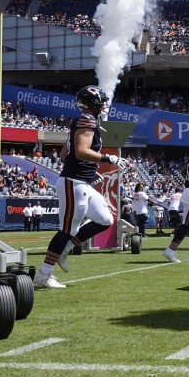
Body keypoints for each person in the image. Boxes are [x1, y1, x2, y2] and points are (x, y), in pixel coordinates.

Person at [33, 86, 120, 289]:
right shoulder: (87, 120)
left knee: (105, 219)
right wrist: (108, 157)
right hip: (74, 182)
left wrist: (90, 169)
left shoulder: (84, 122)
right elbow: (81, 151)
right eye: (101, 101)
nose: (104, 105)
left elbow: (65, 155)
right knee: (67, 230)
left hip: (82, 181)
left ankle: (65, 250)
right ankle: (43, 274)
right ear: (93, 103)